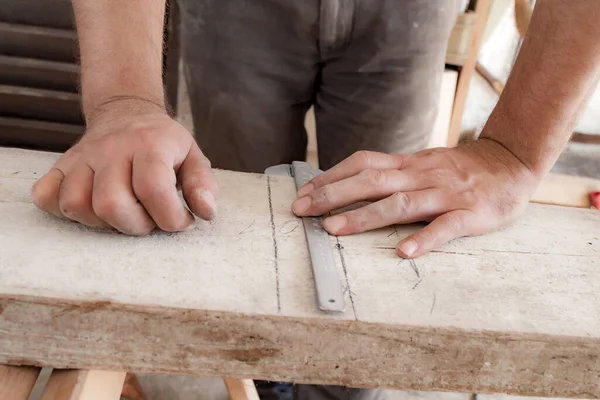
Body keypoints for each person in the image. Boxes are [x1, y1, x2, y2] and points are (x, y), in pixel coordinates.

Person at [30, 0, 600, 399]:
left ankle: (342, 392)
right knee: (233, 225)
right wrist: (124, 99)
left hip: (409, 14)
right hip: (232, 14)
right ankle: (266, 383)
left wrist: (513, 152)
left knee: (389, 241)